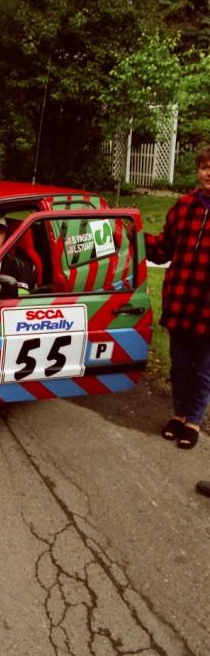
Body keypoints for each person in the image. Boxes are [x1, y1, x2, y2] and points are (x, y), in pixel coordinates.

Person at [146, 145, 210, 450]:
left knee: (205, 370)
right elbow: (162, 248)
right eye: (205, 166)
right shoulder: (184, 206)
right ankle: (178, 414)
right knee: (180, 364)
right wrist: (130, 235)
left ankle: (194, 421)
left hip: (208, 309)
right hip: (181, 301)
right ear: (198, 170)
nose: (209, 172)